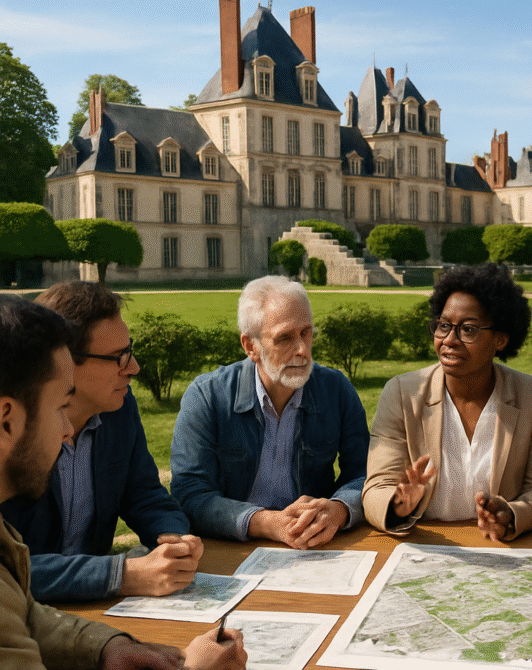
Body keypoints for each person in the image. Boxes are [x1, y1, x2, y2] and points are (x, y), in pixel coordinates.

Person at [0, 295, 245, 670]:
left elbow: (20, 608)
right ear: (7, 419)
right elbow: (23, 585)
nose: (66, 431)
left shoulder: (117, 410)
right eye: (60, 407)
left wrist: (104, 646)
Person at [0, 282, 200, 603]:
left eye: (129, 350)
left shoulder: (118, 407)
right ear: (63, 359)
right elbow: (8, 570)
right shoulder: (14, 435)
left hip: (94, 607)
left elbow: (144, 493)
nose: (133, 368)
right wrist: (119, 575)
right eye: (118, 357)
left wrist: (174, 540)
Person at [171, 276, 369, 548]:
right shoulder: (208, 396)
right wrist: (266, 523)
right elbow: (190, 494)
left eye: (306, 333)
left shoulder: (336, 390)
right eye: (284, 338)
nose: (302, 350)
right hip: (233, 547)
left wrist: (339, 509)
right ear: (250, 347)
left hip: (314, 545)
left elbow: (366, 474)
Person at [363, 263, 532, 541]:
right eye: (443, 326)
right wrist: (398, 504)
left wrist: (511, 514)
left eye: (468, 329)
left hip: (499, 548)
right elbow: (376, 487)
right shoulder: (402, 394)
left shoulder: (531, 396)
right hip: (426, 543)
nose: (449, 340)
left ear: (500, 339)